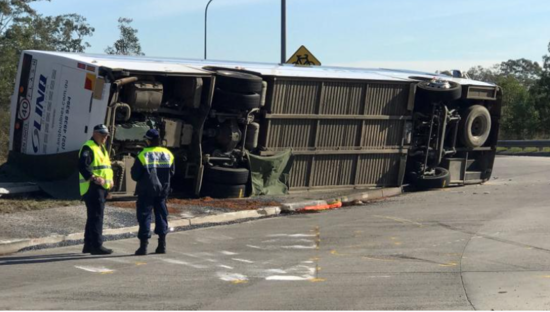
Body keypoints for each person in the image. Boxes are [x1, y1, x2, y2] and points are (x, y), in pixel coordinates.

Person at [131, 129, 175, 256]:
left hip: (146, 191)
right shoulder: (168, 154)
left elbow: (135, 175)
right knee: (161, 216)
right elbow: (172, 172)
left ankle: (143, 247)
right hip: (162, 192)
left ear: (148, 140)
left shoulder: (143, 155)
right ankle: (162, 245)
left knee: (145, 216)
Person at [78, 124, 114, 255]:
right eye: (103, 135)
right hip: (92, 187)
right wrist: (93, 178)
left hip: (101, 187)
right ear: (95, 134)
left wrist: (110, 183)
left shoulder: (101, 147)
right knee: (97, 217)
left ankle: (88, 245)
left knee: (93, 217)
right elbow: (82, 166)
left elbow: (106, 168)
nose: (105, 137)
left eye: (107, 135)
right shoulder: (89, 147)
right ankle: (97, 246)